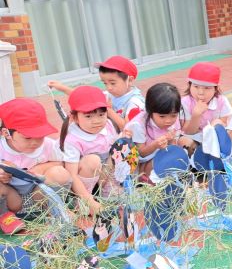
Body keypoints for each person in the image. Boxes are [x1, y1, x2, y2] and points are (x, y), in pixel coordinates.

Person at [0, 99, 71, 233]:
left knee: (60, 173)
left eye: (40, 136)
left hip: (37, 197)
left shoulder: (47, 145)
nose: (35, 142)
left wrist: (40, 168)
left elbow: (61, 162)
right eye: (27, 137)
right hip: (12, 200)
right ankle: (5, 216)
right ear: (6, 133)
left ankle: (52, 211)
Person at [59, 86, 119, 216]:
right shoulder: (73, 139)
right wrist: (89, 201)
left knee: (120, 147)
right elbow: (72, 175)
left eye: (101, 114)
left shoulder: (108, 125)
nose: (96, 121)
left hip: (104, 177)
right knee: (93, 160)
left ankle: (108, 190)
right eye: (88, 116)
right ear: (74, 117)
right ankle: (83, 202)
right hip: (82, 185)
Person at [48, 55, 144, 131]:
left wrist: (108, 110)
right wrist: (61, 87)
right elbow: (85, 96)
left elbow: (128, 129)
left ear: (130, 80)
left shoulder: (135, 102)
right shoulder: (111, 94)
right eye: (105, 83)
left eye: (113, 83)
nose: (109, 87)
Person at [124, 83, 182, 176]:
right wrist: (155, 144)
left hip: (157, 154)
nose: (168, 121)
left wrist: (171, 141)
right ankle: (143, 177)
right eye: (162, 116)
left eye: (173, 115)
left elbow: (172, 147)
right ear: (150, 111)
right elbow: (142, 153)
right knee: (156, 165)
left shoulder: (173, 119)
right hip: (138, 161)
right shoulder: (138, 125)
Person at [180, 62, 232, 151]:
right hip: (195, 139)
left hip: (215, 140)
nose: (200, 92)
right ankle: (195, 157)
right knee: (183, 141)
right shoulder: (185, 102)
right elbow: (188, 132)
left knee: (218, 122)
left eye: (207, 88)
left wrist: (213, 127)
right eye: (196, 86)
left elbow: (227, 124)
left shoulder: (221, 101)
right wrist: (196, 114)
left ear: (216, 88)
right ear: (189, 85)